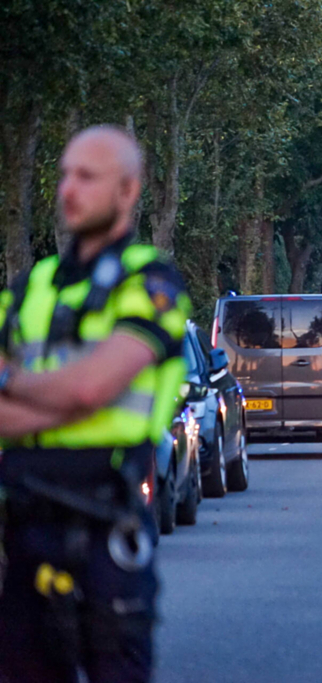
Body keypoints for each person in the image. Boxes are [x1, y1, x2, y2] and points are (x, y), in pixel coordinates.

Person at [0, 125, 190, 683]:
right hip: (23, 531)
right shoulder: (28, 288)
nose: (69, 189)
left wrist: (11, 377)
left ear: (127, 191)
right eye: (64, 174)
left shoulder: (151, 283)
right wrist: (72, 400)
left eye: (87, 176)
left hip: (106, 526)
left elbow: (93, 387)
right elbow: (85, 392)